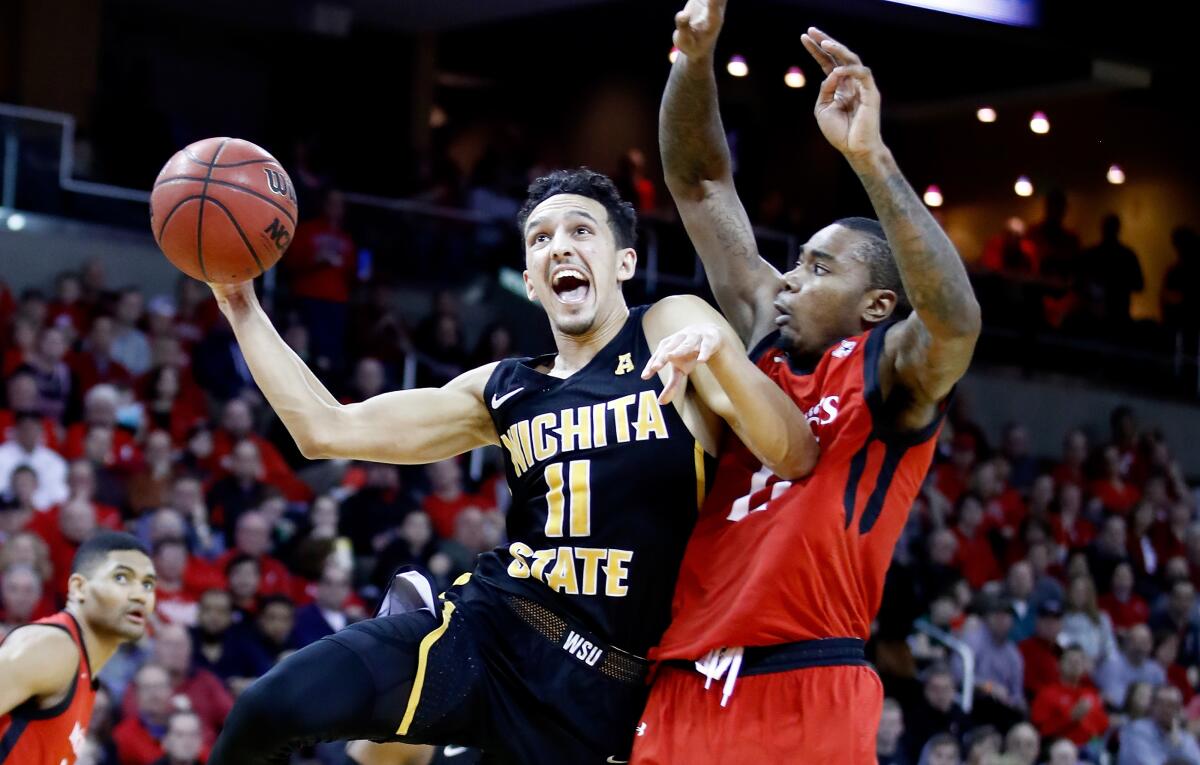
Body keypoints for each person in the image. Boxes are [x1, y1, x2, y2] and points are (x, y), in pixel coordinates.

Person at [207, 167, 819, 765]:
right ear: (530, 281)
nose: (560, 248)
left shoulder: (669, 328)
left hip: (604, 687)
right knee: (269, 707)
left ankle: (394, 751)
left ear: (624, 263)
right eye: (542, 239)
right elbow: (325, 430)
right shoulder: (504, 389)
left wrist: (727, 364)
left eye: (582, 232)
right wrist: (238, 302)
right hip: (489, 632)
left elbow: (795, 453)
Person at [632, 6, 980, 764]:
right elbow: (698, 183)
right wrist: (693, 60)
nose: (788, 278)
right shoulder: (761, 334)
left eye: (820, 268)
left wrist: (871, 157)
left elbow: (954, 319)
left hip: (806, 675)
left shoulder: (893, 374)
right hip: (682, 680)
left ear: (878, 305)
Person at [0, 532, 156, 764]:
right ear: (79, 587)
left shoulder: (84, 664)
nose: (139, 596)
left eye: (147, 584)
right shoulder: (51, 647)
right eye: (121, 578)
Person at [1118, 685, 1200, 765]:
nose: (1169, 710)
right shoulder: (1137, 731)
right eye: (1164, 704)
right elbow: (1145, 762)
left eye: (1174, 705)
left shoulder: (1184, 737)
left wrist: (1178, 745)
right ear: (1153, 706)